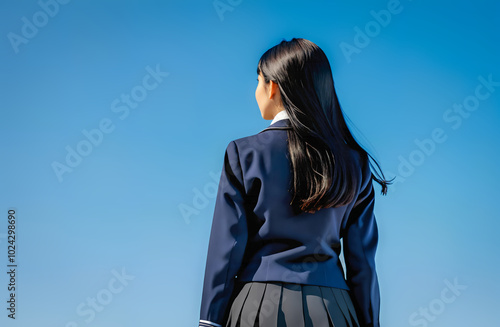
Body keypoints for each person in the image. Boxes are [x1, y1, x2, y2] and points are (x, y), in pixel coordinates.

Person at [198, 38, 392, 327]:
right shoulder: (355, 162)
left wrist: (210, 321)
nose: (256, 91)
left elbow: (225, 251)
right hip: (335, 310)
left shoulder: (243, 153)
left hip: (256, 307)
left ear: (273, 86)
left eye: (258, 81)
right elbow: (362, 263)